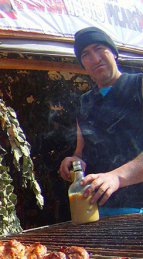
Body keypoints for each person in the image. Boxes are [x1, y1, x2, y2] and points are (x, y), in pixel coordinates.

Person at [59, 27, 143, 216]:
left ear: (114, 53)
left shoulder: (139, 85)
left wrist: (116, 177)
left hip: (139, 208)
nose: (95, 58)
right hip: (96, 210)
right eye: (86, 54)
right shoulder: (85, 102)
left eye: (99, 48)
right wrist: (75, 162)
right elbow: (81, 152)